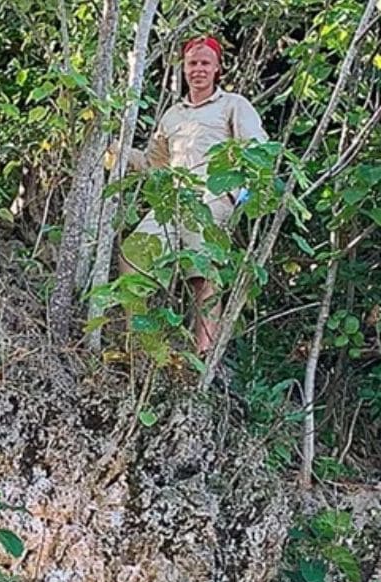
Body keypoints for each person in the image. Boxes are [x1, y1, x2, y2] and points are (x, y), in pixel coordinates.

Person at [114, 36, 267, 356]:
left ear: (217, 68)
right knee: (132, 257)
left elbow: (259, 150)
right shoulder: (172, 115)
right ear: (184, 69)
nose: (198, 69)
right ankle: (145, 347)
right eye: (192, 63)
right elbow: (155, 165)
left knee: (203, 274)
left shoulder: (233, 105)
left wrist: (244, 195)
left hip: (212, 198)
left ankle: (204, 352)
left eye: (205, 63)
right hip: (174, 200)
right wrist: (117, 150)